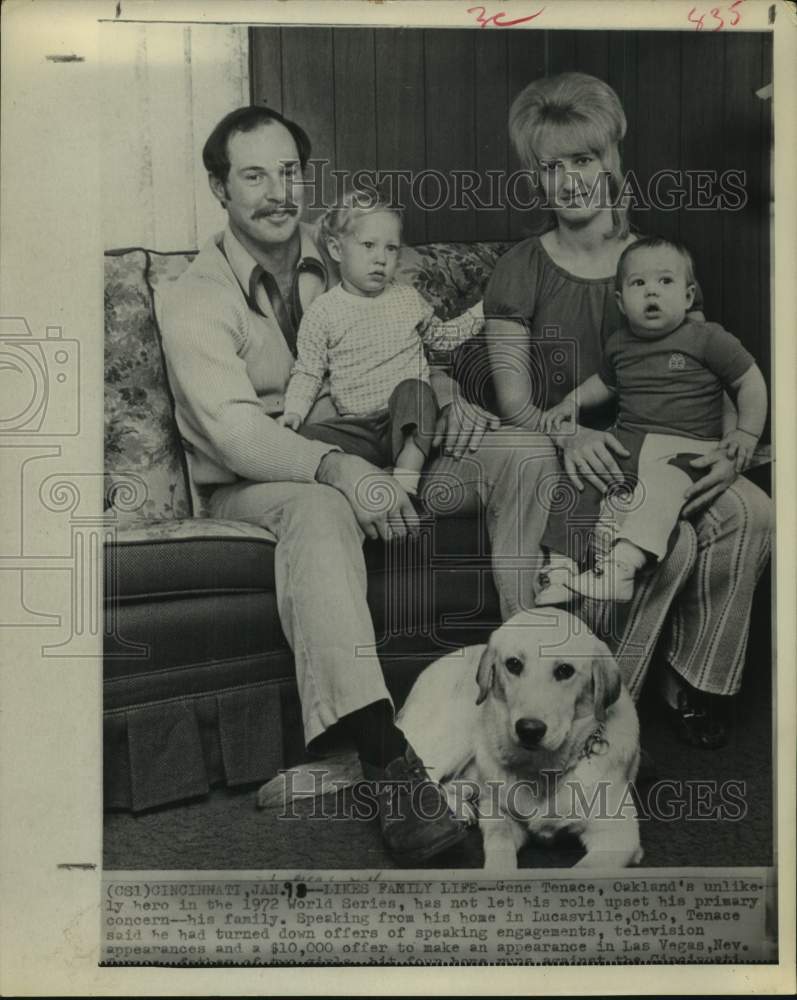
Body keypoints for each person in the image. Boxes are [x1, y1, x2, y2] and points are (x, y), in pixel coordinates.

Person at [160, 106, 558, 864]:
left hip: (378, 447)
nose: (279, 192)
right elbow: (235, 433)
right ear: (219, 189)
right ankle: (387, 763)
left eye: (289, 173)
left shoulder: (350, 251)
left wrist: (445, 392)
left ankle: (540, 696)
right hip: (260, 479)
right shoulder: (192, 296)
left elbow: (407, 343)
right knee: (317, 506)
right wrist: (342, 471)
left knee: (523, 455)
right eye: (254, 176)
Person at [483, 73, 772, 748]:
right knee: (670, 540)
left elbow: (707, 367)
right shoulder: (520, 267)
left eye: (582, 160)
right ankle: (609, 716)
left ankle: (692, 680)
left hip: (662, 446)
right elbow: (515, 406)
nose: (569, 180)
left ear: (611, 159)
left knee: (755, 510)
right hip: (579, 451)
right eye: (549, 167)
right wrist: (568, 434)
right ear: (535, 178)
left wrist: (732, 449)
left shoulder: (651, 264)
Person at [535, 236, 767, 604]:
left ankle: (622, 569)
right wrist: (572, 401)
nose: (651, 293)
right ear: (621, 302)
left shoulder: (707, 338)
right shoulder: (620, 344)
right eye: (638, 284)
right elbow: (605, 383)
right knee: (583, 475)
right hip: (632, 441)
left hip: (688, 447)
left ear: (688, 297)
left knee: (661, 489)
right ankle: (560, 568)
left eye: (665, 282)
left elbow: (749, 381)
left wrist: (746, 434)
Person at [280, 189, 482, 500]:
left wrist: (482, 312)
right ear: (336, 249)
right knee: (305, 440)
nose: (381, 259)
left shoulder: (405, 298)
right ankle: (371, 473)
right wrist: (294, 410)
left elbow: (442, 338)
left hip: (406, 422)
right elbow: (308, 371)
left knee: (415, 390)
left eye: (391, 249)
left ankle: (405, 481)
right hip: (358, 427)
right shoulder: (323, 311)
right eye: (368, 246)